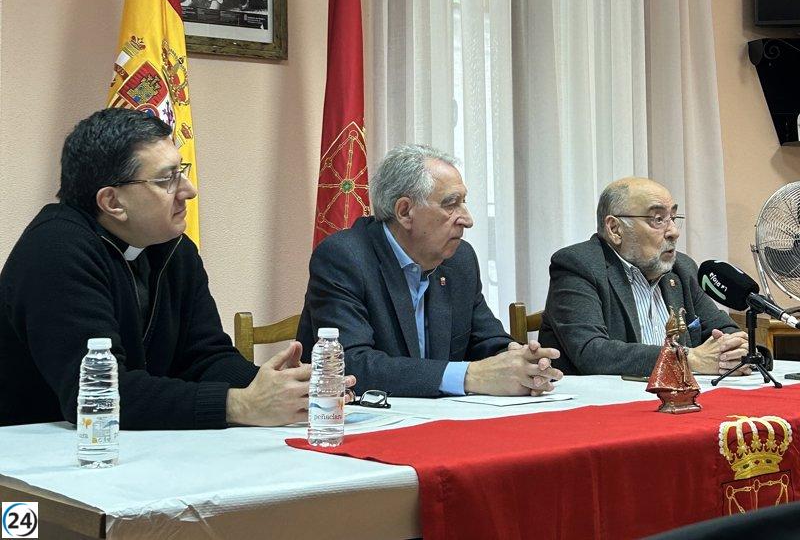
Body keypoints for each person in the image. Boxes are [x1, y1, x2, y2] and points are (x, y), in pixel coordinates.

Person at [0, 109, 345, 429]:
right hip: (31, 471)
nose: (189, 190)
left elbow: (204, 358)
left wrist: (282, 386)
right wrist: (237, 404)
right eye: (167, 180)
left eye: (182, 172)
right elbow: (98, 394)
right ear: (112, 202)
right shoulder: (56, 250)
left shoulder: (175, 249)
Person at [298, 144, 563, 397]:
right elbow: (351, 365)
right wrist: (469, 375)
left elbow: (486, 340)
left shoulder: (459, 260)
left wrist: (519, 359)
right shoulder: (345, 258)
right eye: (451, 204)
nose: (468, 220)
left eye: (464, 202)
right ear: (405, 211)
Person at [539, 177, 749, 377]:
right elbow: (591, 351)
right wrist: (688, 358)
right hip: (604, 406)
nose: (673, 232)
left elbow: (725, 331)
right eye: (658, 219)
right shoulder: (578, 265)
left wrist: (736, 351)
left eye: (673, 218)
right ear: (615, 229)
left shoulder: (681, 269)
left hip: (675, 401)